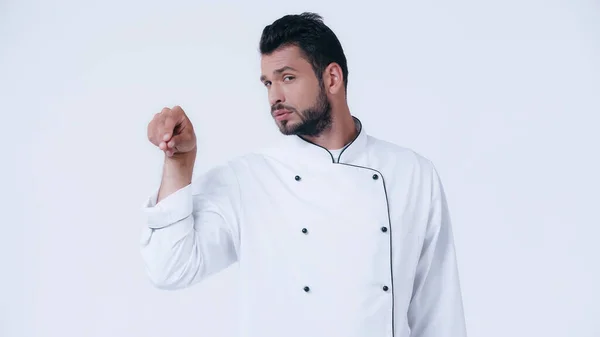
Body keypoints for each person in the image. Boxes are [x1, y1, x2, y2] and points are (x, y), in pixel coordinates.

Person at [141, 12, 467, 337]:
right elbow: (170, 268)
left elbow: (439, 314)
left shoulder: (411, 175)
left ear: (332, 79)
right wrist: (179, 163)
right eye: (268, 82)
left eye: (287, 78)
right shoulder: (248, 179)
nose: (274, 97)